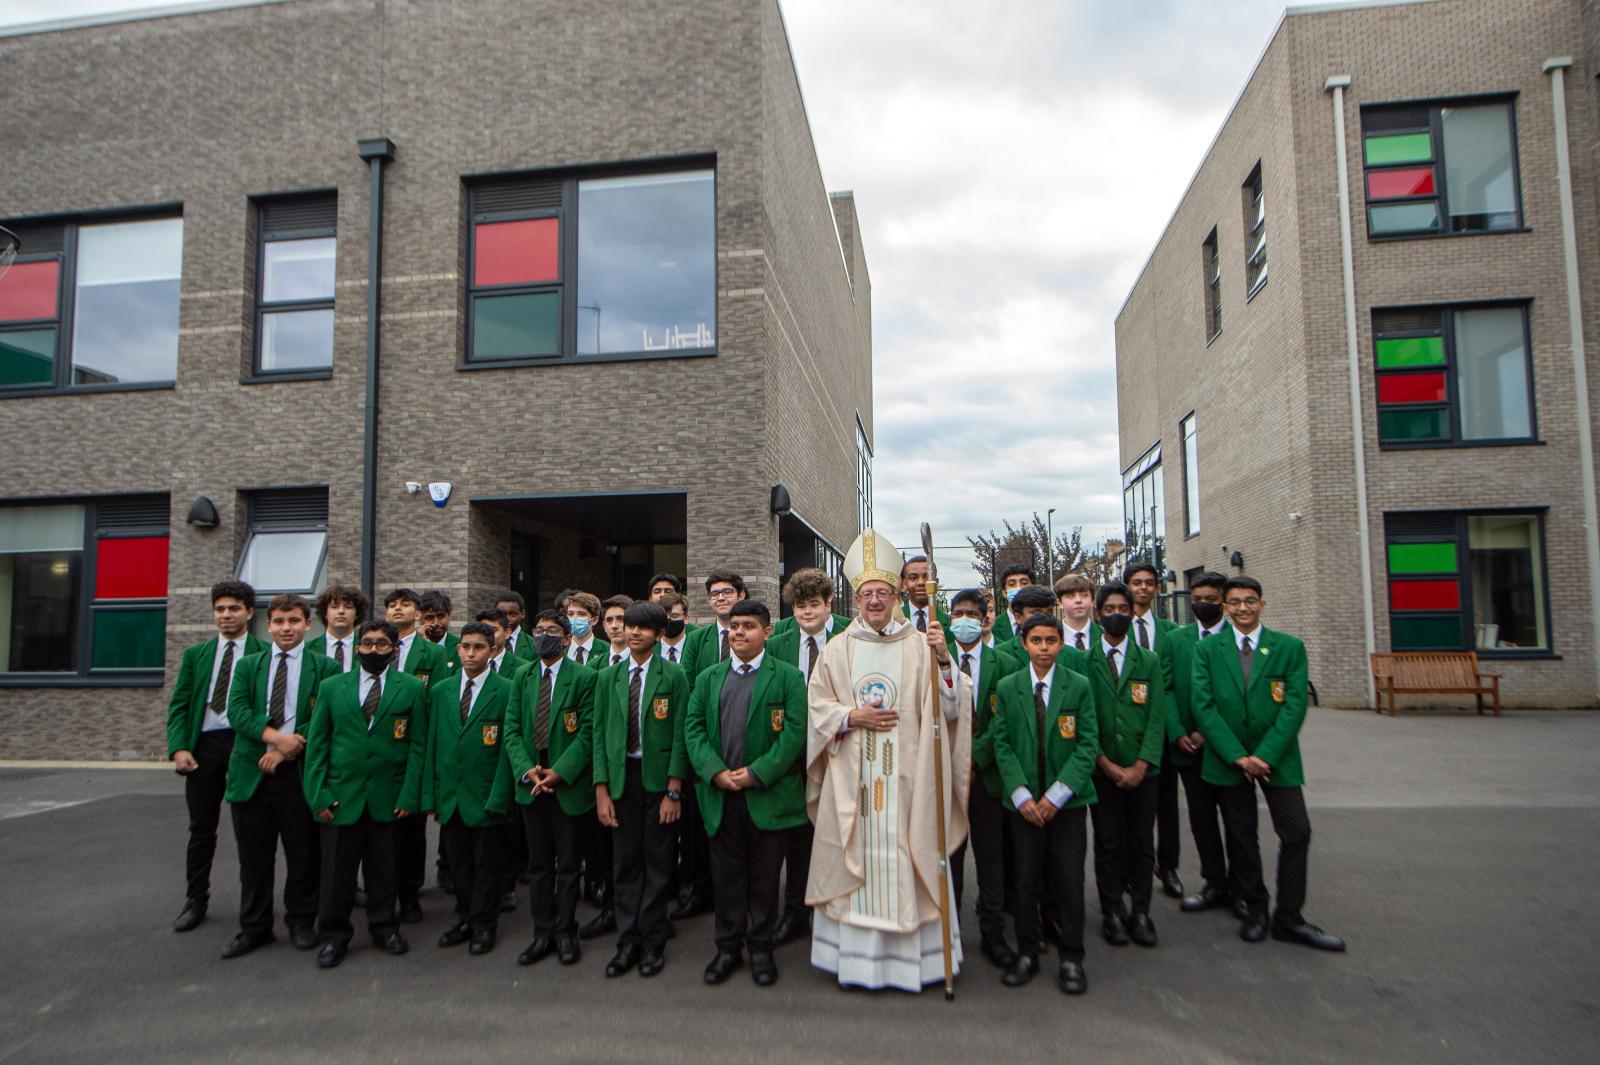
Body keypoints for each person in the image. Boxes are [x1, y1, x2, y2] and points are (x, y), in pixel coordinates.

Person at [806, 529, 972, 993]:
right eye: (866, 594)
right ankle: (855, 963)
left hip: (907, 782)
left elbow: (952, 708)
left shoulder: (922, 645)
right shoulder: (838, 648)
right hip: (852, 781)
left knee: (907, 854)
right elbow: (817, 707)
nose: (875, 601)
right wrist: (849, 715)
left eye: (883, 592)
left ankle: (913, 964)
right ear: (855, 599)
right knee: (856, 857)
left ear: (899, 595)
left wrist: (943, 662)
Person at [1190, 577, 1345, 952]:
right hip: (1229, 759)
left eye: (1250, 601)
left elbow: (1294, 705)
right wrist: (1237, 756)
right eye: (1235, 602)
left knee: (1296, 832)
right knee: (1242, 837)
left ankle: (1289, 917)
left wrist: (1264, 756)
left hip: (1277, 758)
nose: (1243, 608)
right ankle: (1255, 908)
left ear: (1263, 604)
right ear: (1225, 607)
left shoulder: (1288, 648)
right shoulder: (1208, 650)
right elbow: (1203, 705)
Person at [683, 599, 808, 987]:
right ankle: (726, 948)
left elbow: (794, 734)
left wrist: (757, 773)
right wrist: (714, 772)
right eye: (735, 626)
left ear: (767, 632)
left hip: (766, 798)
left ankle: (761, 950)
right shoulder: (708, 678)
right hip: (721, 796)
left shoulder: (787, 678)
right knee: (727, 879)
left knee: (765, 881)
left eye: (748, 626)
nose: (739, 632)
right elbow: (693, 729)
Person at [301, 619, 427, 968]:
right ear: (357, 649)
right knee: (336, 874)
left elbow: (418, 746)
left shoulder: (413, 689)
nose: (374, 650)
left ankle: (385, 927)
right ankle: (333, 936)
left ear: (394, 649)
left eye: (381, 645)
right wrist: (319, 794)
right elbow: (317, 746)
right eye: (367, 644)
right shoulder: (331, 687)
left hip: (388, 797)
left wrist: (408, 795)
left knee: (384, 871)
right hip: (342, 796)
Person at [220, 593, 339, 958]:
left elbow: (325, 718)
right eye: (279, 621)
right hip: (252, 771)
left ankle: (302, 920)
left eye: (293, 621)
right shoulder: (248, 666)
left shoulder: (326, 668)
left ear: (307, 624)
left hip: (300, 773)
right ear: (269, 625)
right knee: (254, 857)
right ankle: (254, 926)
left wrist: (290, 747)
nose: (286, 628)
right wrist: (275, 742)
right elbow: (236, 711)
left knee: (303, 854)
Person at [990, 613, 1098, 994]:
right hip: (1022, 805)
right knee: (1025, 880)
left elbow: (1087, 744)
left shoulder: (1079, 686)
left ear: (1061, 643)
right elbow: (1001, 743)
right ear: (1024, 644)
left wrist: (1056, 795)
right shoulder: (1008, 686)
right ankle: (1028, 951)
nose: (1044, 648)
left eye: (1051, 641)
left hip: (1065, 804)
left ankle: (1071, 956)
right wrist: (1022, 794)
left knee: (1069, 879)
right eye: (1036, 641)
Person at [592, 601, 689, 978]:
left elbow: (681, 735)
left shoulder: (674, 675)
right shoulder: (608, 677)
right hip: (621, 780)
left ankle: (652, 941)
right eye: (629, 626)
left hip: (659, 780)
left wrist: (674, 789)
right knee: (626, 862)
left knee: (659, 862)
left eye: (643, 628)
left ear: (659, 633)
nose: (633, 633)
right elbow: (599, 736)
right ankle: (627, 940)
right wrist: (602, 790)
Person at [165, 579, 267, 933]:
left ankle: (253, 907)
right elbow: (179, 704)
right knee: (201, 828)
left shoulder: (262, 653)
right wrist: (179, 747)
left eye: (234, 609)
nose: (226, 615)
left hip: (245, 744)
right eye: (220, 609)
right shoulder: (196, 655)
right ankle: (196, 899)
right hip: (204, 746)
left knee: (251, 831)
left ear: (249, 613)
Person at [505, 610, 598, 966]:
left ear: (565, 637)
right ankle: (542, 932)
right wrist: (527, 770)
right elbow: (512, 729)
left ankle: (566, 931)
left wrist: (560, 772)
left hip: (566, 784)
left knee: (569, 865)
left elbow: (588, 731)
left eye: (552, 631)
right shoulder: (521, 676)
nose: (544, 636)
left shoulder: (585, 677)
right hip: (532, 785)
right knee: (539, 866)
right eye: (539, 630)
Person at [765, 567, 847, 944]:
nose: (807, 613)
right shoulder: (779, 640)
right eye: (799, 606)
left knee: (837, 834)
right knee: (798, 836)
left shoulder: (849, 635)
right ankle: (795, 911)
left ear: (829, 603)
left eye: (814, 604)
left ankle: (836, 912)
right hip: (793, 753)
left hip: (839, 749)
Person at [422, 621, 513, 956]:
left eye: (478, 647)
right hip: (451, 794)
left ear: (491, 651)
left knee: (486, 865)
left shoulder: (506, 689)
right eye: (466, 646)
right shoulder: (441, 691)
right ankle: (464, 917)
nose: (471, 653)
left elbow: (507, 749)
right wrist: (430, 794)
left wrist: (501, 794)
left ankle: (484, 924)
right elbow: (432, 743)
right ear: (458, 649)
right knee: (458, 865)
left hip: (486, 793)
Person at [1085, 581, 1166, 949]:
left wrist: (1141, 764)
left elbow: (1156, 717)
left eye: (1123, 608)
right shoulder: (1083, 661)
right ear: (1097, 614)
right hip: (1102, 770)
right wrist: (1103, 761)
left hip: (1142, 771)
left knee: (1141, 843)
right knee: (1107, 842)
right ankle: (1112, 911)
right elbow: (1085, 719)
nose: (1117, 615)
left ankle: (1142, 912)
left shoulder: (1147, 660)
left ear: (1133, 613)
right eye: (1109, 609)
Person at [947, 588, 1022, 970]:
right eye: (958, 612)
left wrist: (973, 760)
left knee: (992, 857)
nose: (964, 619)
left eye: (971, 614)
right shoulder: (935, 659)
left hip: (987, 778)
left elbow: (1005, 722)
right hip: (946, 778)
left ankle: (993, 932)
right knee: (951, 858)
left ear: (984, 618)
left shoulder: (1005, 663)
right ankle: (950, 935)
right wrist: (954, 761)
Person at [674, 571, 749, 921]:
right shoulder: (697, 639)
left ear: (740, 594)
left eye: (727, 592)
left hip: (743, 744)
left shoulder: (756, 634)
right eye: (715, 594)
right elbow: (688, 689)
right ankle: (700, 890)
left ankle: (743, 897)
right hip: (705, 743)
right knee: (700, 827)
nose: (720, 598)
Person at [1162, 572, 1236, 916]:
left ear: (1223, 600)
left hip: (1228, 748)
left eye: (1210, 599)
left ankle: (1243, 888)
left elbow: (1238, 696)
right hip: (1187, 748)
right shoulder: (1178, 640)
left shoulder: (1238, 640)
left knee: (1238, 823)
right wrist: (1178, 732)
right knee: (1201, 818)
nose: (1202, 604)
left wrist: (1208, 733)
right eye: (1197, 599)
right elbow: (1166, 688)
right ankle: (1214, 882)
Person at [385, 587, 449, 924]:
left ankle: (410, 893)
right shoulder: (375, 645)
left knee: (412, 826)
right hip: (381, 746)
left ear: (418, 613)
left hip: (416, 741)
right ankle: (382, 889)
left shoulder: (433, 655)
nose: (398, 610)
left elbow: (434, 701)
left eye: (405, 605)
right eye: (392, 606)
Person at [1123, 559, 1184, 901]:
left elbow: (1171, 686)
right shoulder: (1114, 630)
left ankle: (1169, 866)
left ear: (1157, 589)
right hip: (1126, 732)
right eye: (1137, 582)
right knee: (1132, 812)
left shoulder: (1171, 633)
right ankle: (1134, 870)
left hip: (1161, 732)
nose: (1143, 587)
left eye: (1149, 582)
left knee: (1167, 805)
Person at [308, 584, 367, 673]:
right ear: (325, 613)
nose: (341, 611)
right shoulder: (308, 649)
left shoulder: (367, 648)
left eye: (348, 607)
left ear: (357, 614)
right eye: (334, 607)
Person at [899, 554, 950, 635]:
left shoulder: (950, 623)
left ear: (936, 583)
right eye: (913, 578)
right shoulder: (894, 621)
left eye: (927, 577)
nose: (921, 583)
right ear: (904, 584)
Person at [1054, 574, 1099, 654]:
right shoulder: (1051, 639)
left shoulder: (1105, 636)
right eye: (1071, 596)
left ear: (1092, 600)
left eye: (1084, 595)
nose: (1078, 600)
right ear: (1060, 603)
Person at [991, 564, 1035, 643]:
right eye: (1012, 584)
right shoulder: (993, 626)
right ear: (1004, 593)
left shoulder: (1046, 623)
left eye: (1024, 583)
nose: (1018, 588)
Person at [419, 590, 460, 675]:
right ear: (419, 619)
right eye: (429, 617)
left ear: (449, 615)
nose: (436, 623)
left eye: (441, 616)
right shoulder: (414, 646)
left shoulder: (460, 646)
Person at [564, 591, 604, 667]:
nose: (575, 618)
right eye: (570, 614)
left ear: (594, 620)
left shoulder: (607, 650)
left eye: (581, 614)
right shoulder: (560, 650)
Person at [497, 591, 535, 661]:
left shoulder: (534, 644)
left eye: (512, 614)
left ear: (523, 613)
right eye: (502, 614)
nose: (507, 618)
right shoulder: (487, 642)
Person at [657, 591, 692, 666]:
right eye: (664, 617)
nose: (668, 620)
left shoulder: (696, 648)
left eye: (674, 616)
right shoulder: (649, 649)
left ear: (686, 618)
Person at [599, 594, 633, 669]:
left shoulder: (645, 664)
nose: (614, 626)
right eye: (609, 620)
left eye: (620, 619)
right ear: (604, 626)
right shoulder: (593, 666)